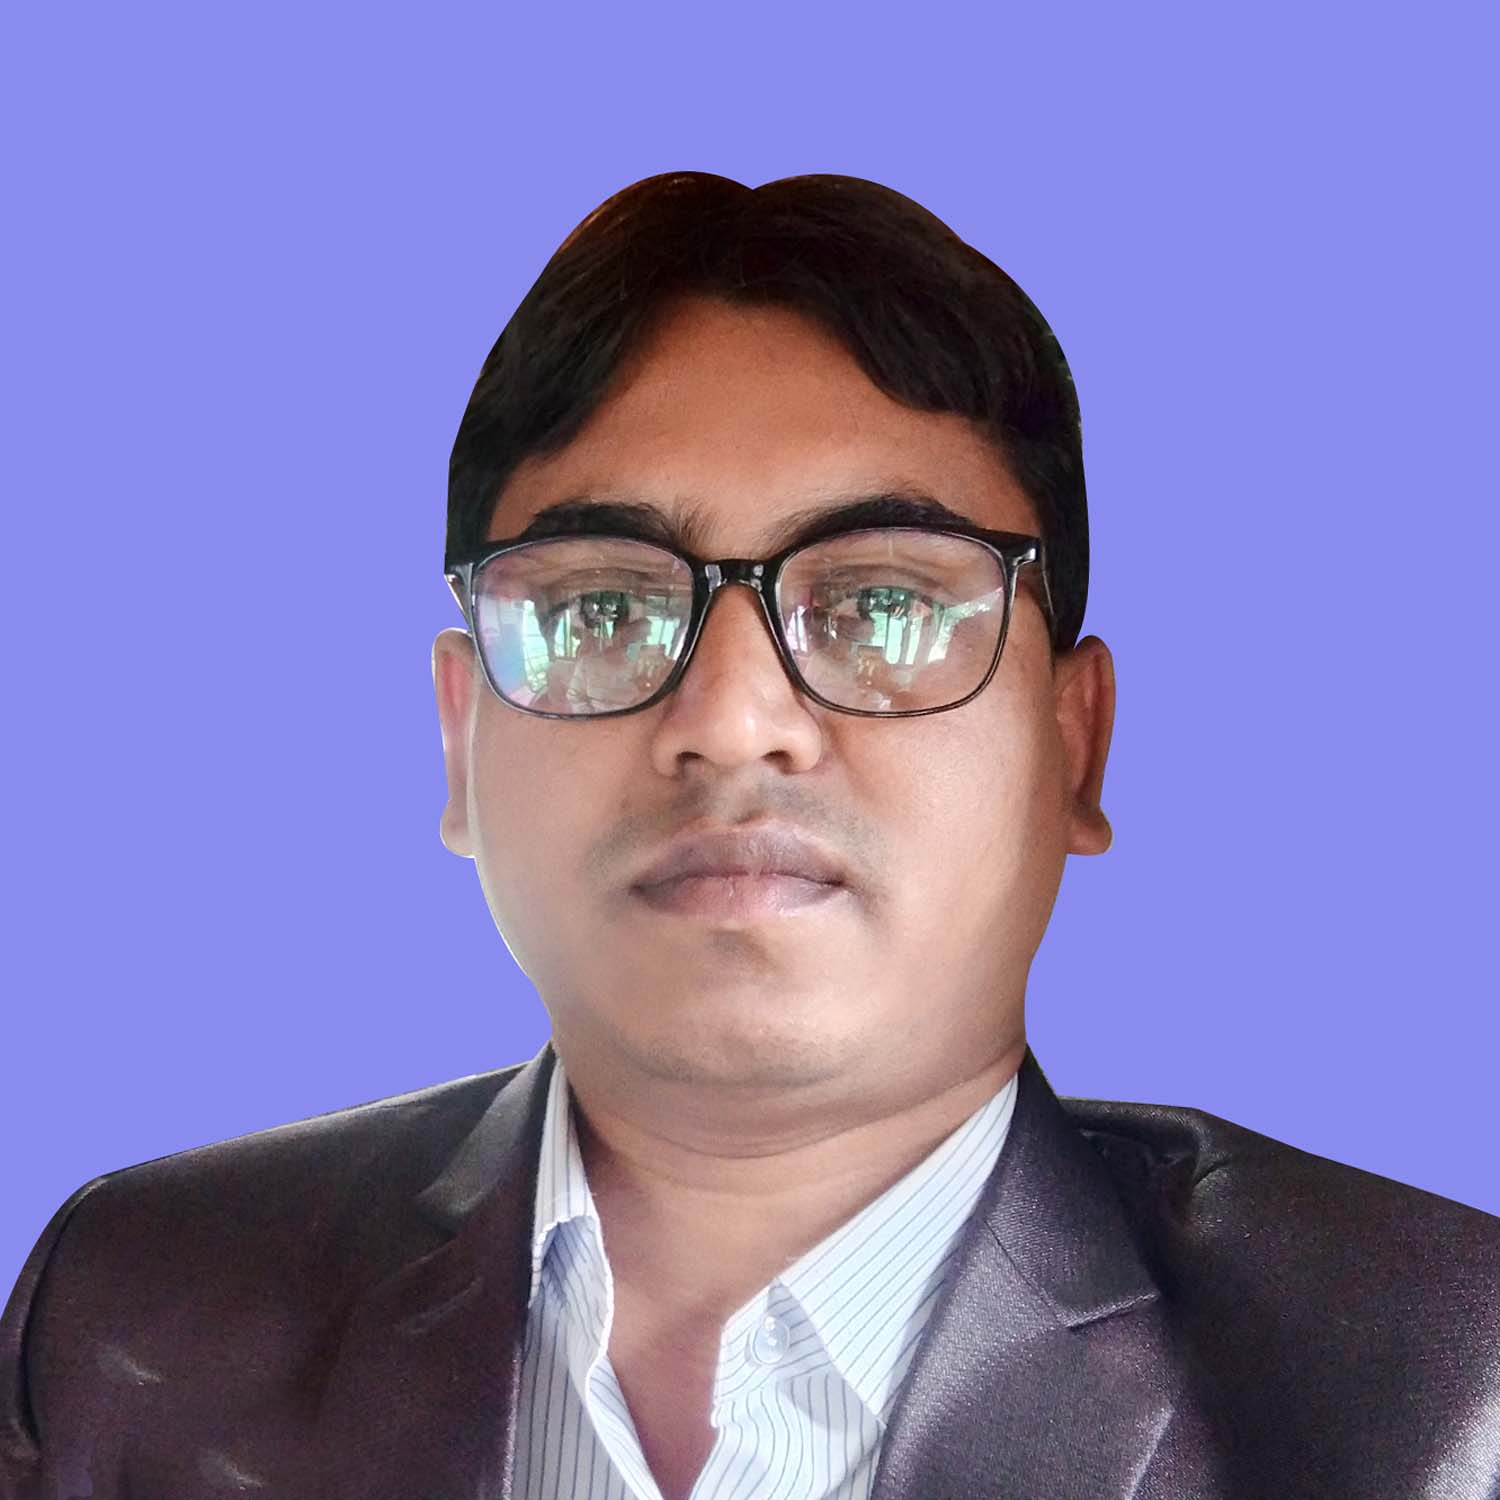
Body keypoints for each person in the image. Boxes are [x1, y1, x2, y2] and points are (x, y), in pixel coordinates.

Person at [2, 172, 1496, 1500]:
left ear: (1074, 745)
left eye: (884, 604)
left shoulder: (1438, 1398)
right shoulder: (137, 1316)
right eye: (602, 606)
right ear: (461, 740)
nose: (730, 720)